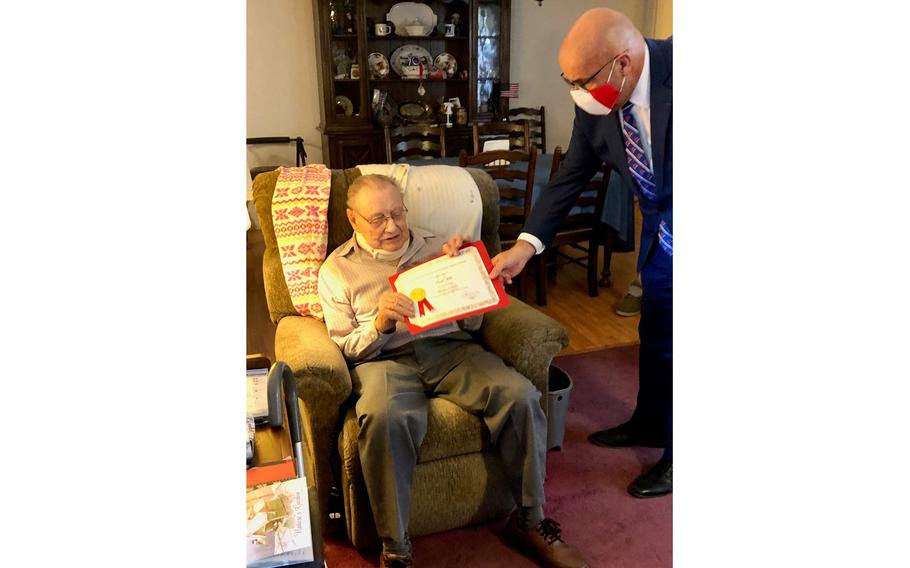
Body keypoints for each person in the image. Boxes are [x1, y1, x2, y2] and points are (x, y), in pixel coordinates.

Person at [318, 174, 588, 568]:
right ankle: (395, 547)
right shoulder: (337, 271)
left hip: (451, 349)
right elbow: (343, 346)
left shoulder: (438, 247)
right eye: (377, 219)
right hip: (384, 361)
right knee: (383, 417)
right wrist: (379, 324)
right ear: (352, 219)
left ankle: (530, 520)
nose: (391, 227)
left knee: (521, 395)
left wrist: (470, 273)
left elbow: (475, 323)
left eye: (397, 214)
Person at [490, 8, 673, 498]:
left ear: (623, 63)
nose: (575, 91)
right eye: (568, 80)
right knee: (656, 329)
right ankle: (652, 423)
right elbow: (571, 175)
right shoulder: (597, 103)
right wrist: (526, 247)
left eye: (581, 80)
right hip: (662, 229)